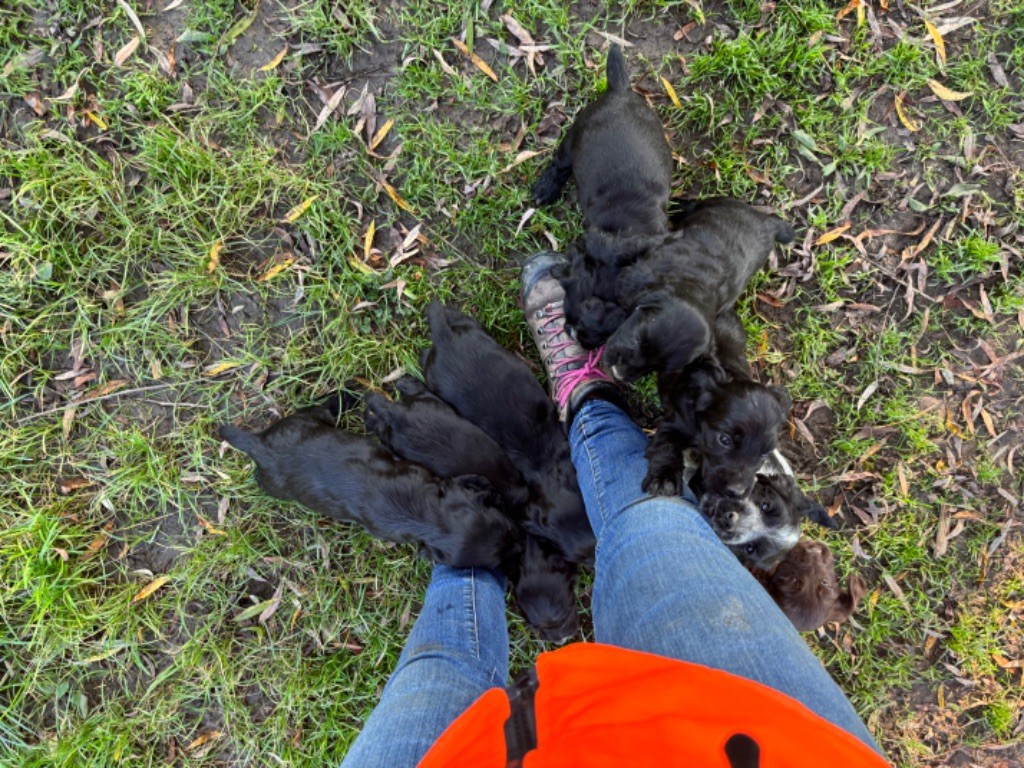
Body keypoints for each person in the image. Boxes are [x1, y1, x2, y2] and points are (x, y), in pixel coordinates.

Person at [340, 253, 888, 767]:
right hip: (761, 735)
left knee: (438, 674)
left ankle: (459, 524)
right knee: (653, 526)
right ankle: (587, 400)